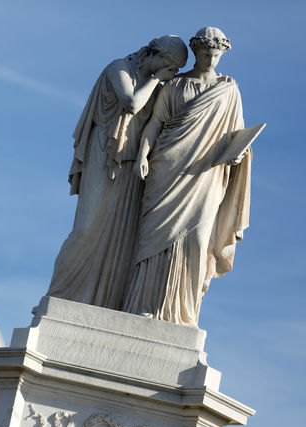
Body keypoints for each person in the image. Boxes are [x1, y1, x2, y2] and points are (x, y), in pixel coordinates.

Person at [46, 36, 188, 308]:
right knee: (86, 230)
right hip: (104, 154)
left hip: (132, 163)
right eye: (170, 66)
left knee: (119, 241)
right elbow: (131, 103)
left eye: (175, 70)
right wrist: (157, 79)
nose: (171, 75)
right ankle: (59, 295)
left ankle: (101, 302)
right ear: (155, 54)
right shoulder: (119, 68)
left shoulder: (157, 86)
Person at [123, 27, 252, 326]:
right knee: (153, 239)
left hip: (206, 175)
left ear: (222, 54)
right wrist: (142, 154)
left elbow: (238, 135)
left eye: (215, 54)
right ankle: (142, 304)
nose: (210, 58)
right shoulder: (175, 85)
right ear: (195, 52)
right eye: (205, 52)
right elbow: (155, 124)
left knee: (196, 239)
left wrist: (238, 154)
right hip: (166, 168)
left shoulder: (229, 90)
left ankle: (183, 314)